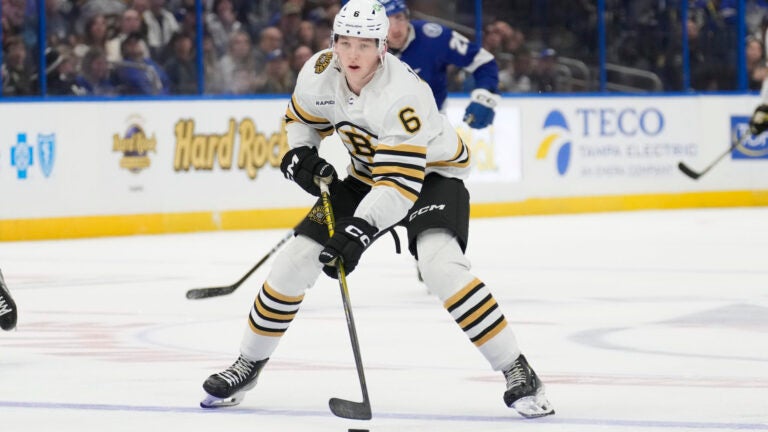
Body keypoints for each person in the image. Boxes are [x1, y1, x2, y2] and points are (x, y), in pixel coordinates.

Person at [199, 0, 554, 419]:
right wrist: (301, 155)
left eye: (364, 44)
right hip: (366, 174)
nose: (352, 54)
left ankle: (518, 369)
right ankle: (248, 364)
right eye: (344, 41)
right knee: (292, 263)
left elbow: (400, 186)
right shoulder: (318, 72)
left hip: (431, 176)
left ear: (382, 48)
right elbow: (301, 120)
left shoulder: (404, 93)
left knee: (441, 266)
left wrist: (360, 230)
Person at [376, 0, 501, 129]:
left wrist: (485, 96)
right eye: (386, 21)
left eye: (399, 17)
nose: (396, 29)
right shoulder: (365, 46)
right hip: (379, 127)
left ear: (407, 16)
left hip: (432, 128)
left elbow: (484, 62)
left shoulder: (434, 38)